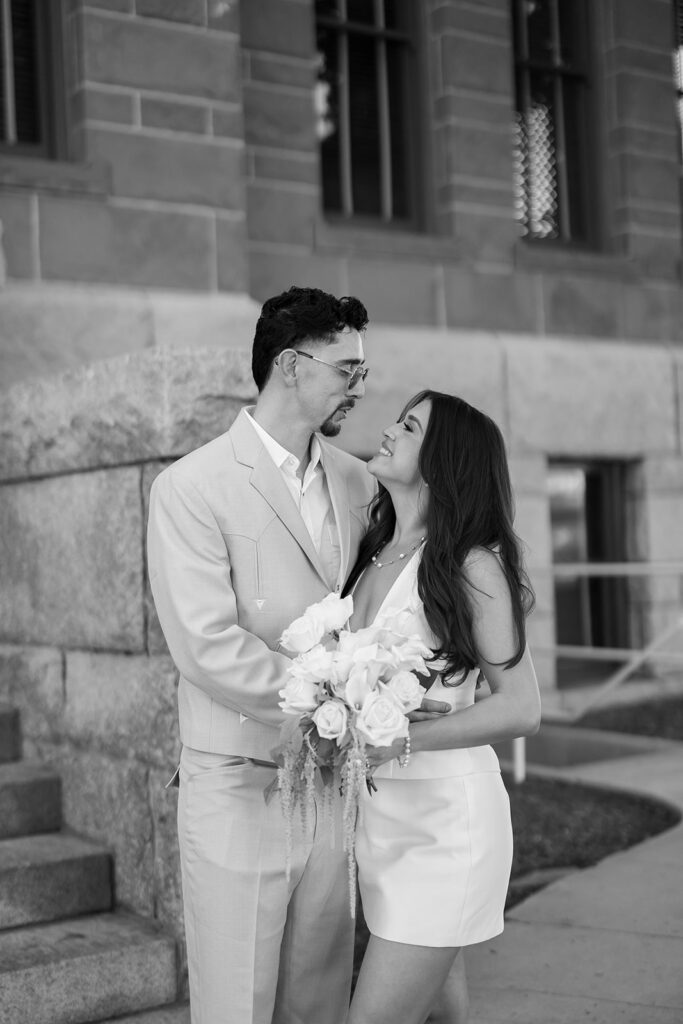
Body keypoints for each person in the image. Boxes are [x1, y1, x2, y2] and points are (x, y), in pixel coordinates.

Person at [146, 286, 378, 1024]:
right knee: (235, 1000)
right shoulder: (190, 485)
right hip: (237, 779)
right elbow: (206, 644)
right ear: (290, 364)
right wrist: (336, 708)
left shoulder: (359, 480)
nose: (359, 386)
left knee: (318, 991)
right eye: (346, 369)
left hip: (333, 783)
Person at [343, 390, 542, 1024]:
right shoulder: (371, 552)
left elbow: (521, 707)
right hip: (380, 823)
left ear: (445, 458)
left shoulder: (470, 564)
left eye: (409, 426)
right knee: (444, 1014)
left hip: (445, 828)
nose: (388, 431)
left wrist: (408, 737)